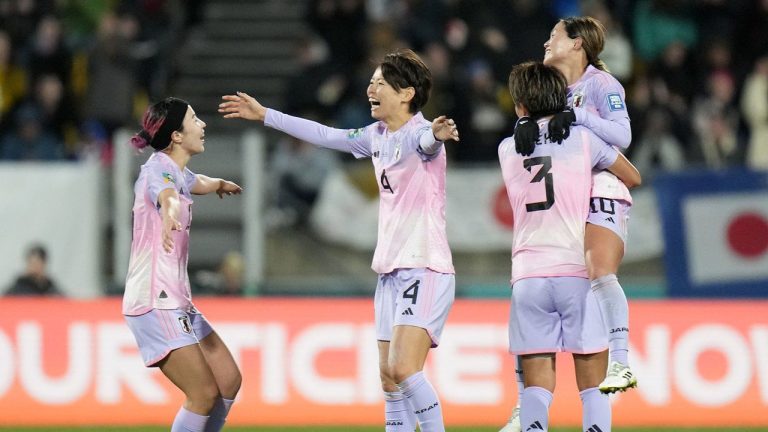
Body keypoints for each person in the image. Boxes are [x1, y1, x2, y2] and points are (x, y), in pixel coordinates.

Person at [219, 48, 459, 432]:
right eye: (371, 81)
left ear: (406, 93)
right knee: (388, 378)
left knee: (403, 367)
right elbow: (323, 134)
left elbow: (428, 142)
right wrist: (266, 115)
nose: (370, 88)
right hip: (391, 271)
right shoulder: (375, 136)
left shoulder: (419, 135)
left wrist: (437, 133)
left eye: (381, 83)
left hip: (424, 266)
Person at [501, 16, 638, 432]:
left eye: (554, 35)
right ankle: (535, 407)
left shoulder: (601, 85)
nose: (546, 40)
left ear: (578, 44)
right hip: (568, 226)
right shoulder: (557, 101)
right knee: (583, 356)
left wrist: (575, 119)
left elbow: (623, 136)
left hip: (594, 198)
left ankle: (622, 359)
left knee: (599, 272)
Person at [122, 97, 243, 432]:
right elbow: (168, 195)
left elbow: (192, 182)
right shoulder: (159, 170)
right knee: (203, 393)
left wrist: (218, 184)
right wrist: (169, 214)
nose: (202, 125)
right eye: (195, 119)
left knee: (227, 380)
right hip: (153, 301)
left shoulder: (176, 170)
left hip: (175, 300)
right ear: (176, 135)